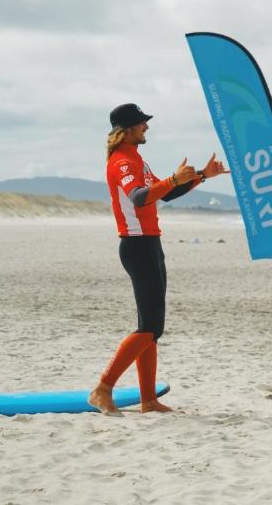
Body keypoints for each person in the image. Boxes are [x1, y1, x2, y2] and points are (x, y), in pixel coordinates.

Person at [87, 103, 228, 415]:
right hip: (137, 246)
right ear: (127, 130)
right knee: (150, 327)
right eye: (141, 123)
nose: (146, 127)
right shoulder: (123, 162)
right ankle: (102, 389)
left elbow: (164, 193)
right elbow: (139, 198)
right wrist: (173, 180)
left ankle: (149, 401)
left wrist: (202, 176)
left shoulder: (137, 159)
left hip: (150, 244)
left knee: (150, 328)